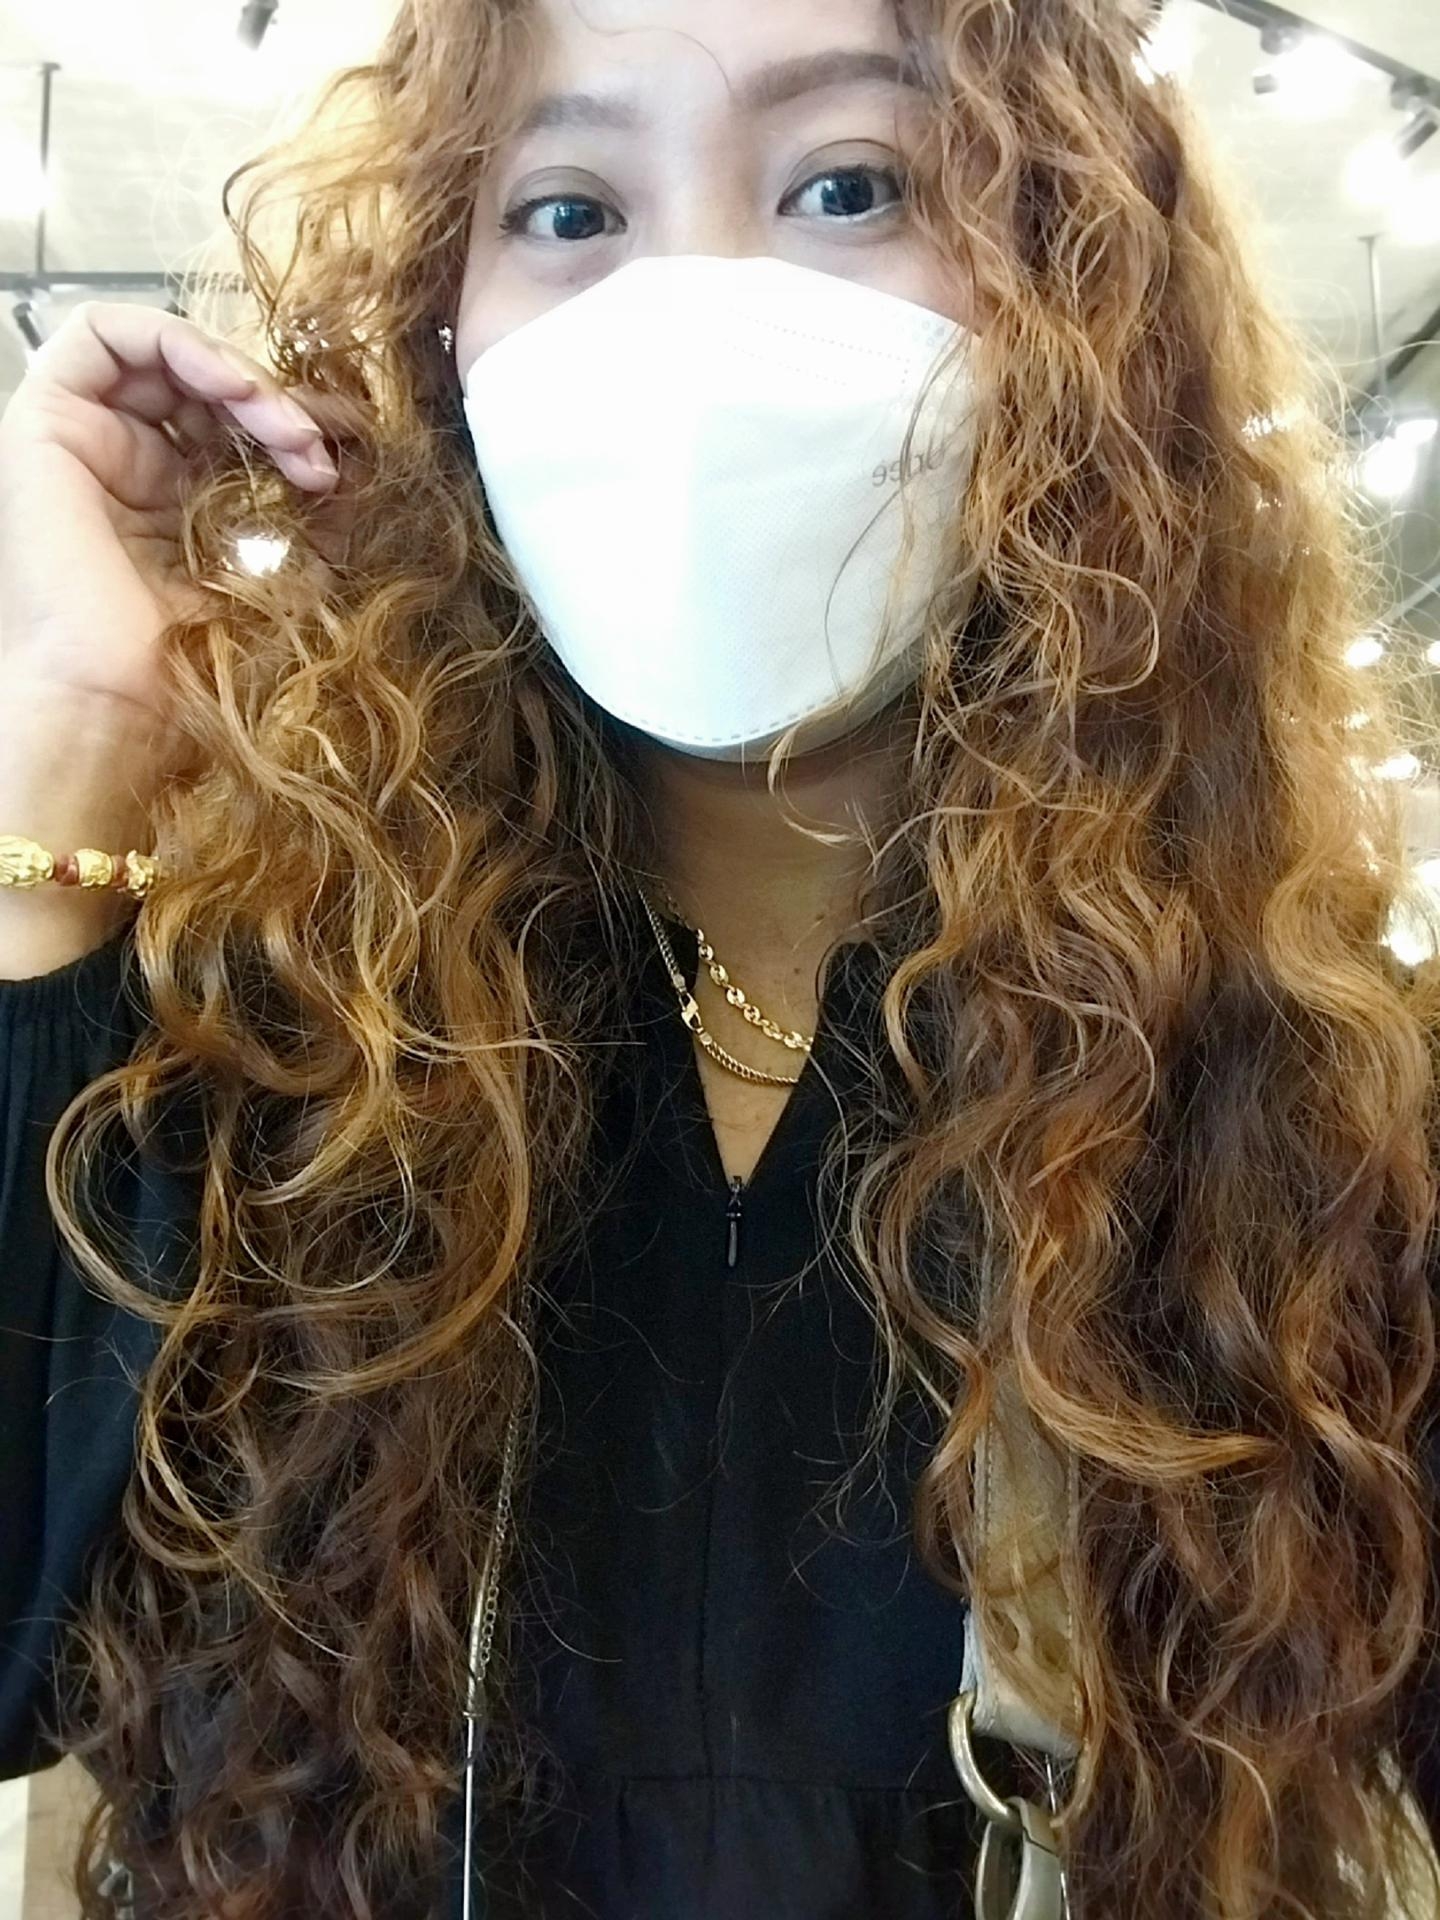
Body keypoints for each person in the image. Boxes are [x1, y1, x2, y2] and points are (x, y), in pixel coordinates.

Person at [2, 0, 1439, 1915]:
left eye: (849, 186)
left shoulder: (1315, 1093)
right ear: (444, 343)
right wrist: (74, 740)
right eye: (570, 212)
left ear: (1073, 299)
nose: (690, 315)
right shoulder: (261, 1038)